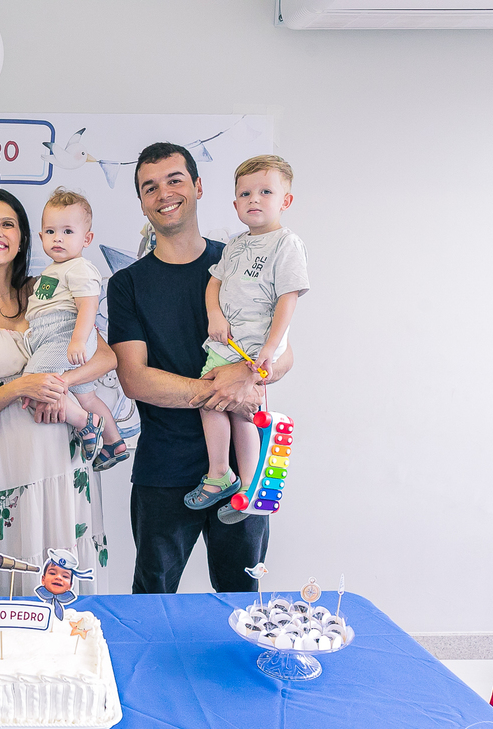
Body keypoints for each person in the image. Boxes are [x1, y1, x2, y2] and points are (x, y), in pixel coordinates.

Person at [106, 143, 294, 594]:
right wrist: (224, 387)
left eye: (175, 180)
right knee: (153, 598)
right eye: (150, 187)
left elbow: (285, 354)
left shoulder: (244, 257)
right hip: (164, 468)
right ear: (142, 202)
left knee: (241, 601)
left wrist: (248, 374)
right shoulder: (127, 284)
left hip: (244, 468)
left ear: (198, 186)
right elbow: (134, 379)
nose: (164, 194)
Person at [0, 188, 116, 598]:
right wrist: (20, 388)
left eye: (7, 224)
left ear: (22, 239)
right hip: (3, 461)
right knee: (10, 575)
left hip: (64, 455)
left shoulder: (48, 291)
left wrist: (58, 385)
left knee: (66, 577)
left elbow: (106, 358)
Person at [188, 155, 309, 511]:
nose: (254, 199)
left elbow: (288, 298)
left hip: (256, 348)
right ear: (235, 204)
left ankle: (250, 481)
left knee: (243, 412)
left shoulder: (287, 244)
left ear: (285, 201)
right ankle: (221, 474)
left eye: (265, 192)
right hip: (224, 342)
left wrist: (271, 347)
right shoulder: (235, 245)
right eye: (245, 193)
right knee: (213, 401)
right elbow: (214, 283)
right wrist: (215, 315)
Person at [25, 188, 129, 470]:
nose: (57, 238)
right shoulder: (55, 269)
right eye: (50, 231)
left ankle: (86, 423)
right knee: (87, 396)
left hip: (64, 333)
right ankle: (114, 442)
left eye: (68, 231)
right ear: (41, 237)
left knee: (32, 385)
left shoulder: (80, 268)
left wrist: (77, 341)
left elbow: (88, 307)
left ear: (87, 239)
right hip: (55, 334)